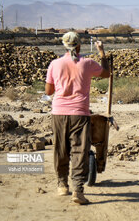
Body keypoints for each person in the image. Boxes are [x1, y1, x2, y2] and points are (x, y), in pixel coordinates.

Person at [45, 31, 110, 204]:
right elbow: (106, 73)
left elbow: (48, 91)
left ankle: (62, 185)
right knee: (79, 151)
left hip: (59, 113)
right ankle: (78, 191)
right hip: (80, 114)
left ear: (64, 46)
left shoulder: (54, 64)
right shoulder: (87, 63)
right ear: (79, 46)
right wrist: (102, 52)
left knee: (61, 148)